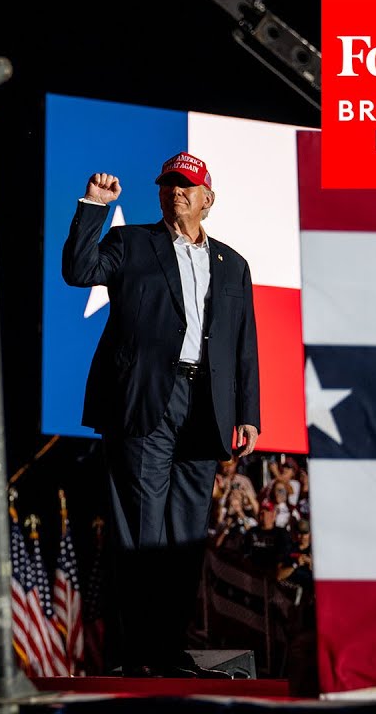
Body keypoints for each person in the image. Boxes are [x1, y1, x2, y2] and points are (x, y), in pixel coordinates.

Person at [62, 154, 260, 678]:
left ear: (206, 199)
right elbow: (78, 270)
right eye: (170, 183)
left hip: (207, 408)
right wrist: (93, 208)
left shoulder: (232, 264)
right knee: (143, 533)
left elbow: (244, 347)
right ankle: (137, 653)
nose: (177, 190)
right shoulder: (131, 244)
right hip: (144, 399)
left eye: (187, 185)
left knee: (185, 538)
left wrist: (248, 413)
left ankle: (168, 649)